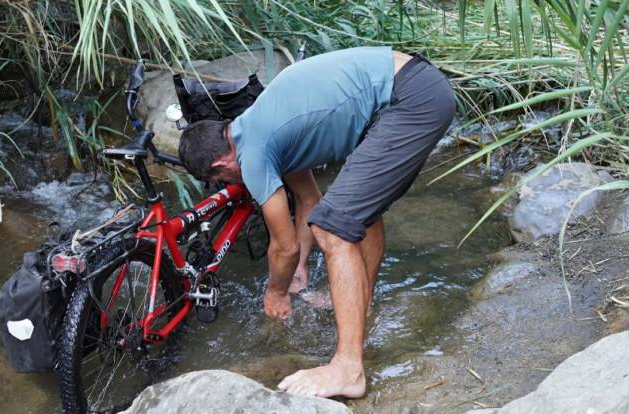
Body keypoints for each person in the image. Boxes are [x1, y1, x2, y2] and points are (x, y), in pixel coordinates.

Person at [178, 46, 455, 398]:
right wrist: (300, 267)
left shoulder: (253, 155)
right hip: (416, 85)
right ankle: (362, 302)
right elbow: (308, 200)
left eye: (221, 181)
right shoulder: (261, 124)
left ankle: (348, 369)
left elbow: (284, 247)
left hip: (409, 99)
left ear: (221, 165)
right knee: (357, 213)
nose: (232, 184)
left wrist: (276, 291)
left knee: (331, 227)